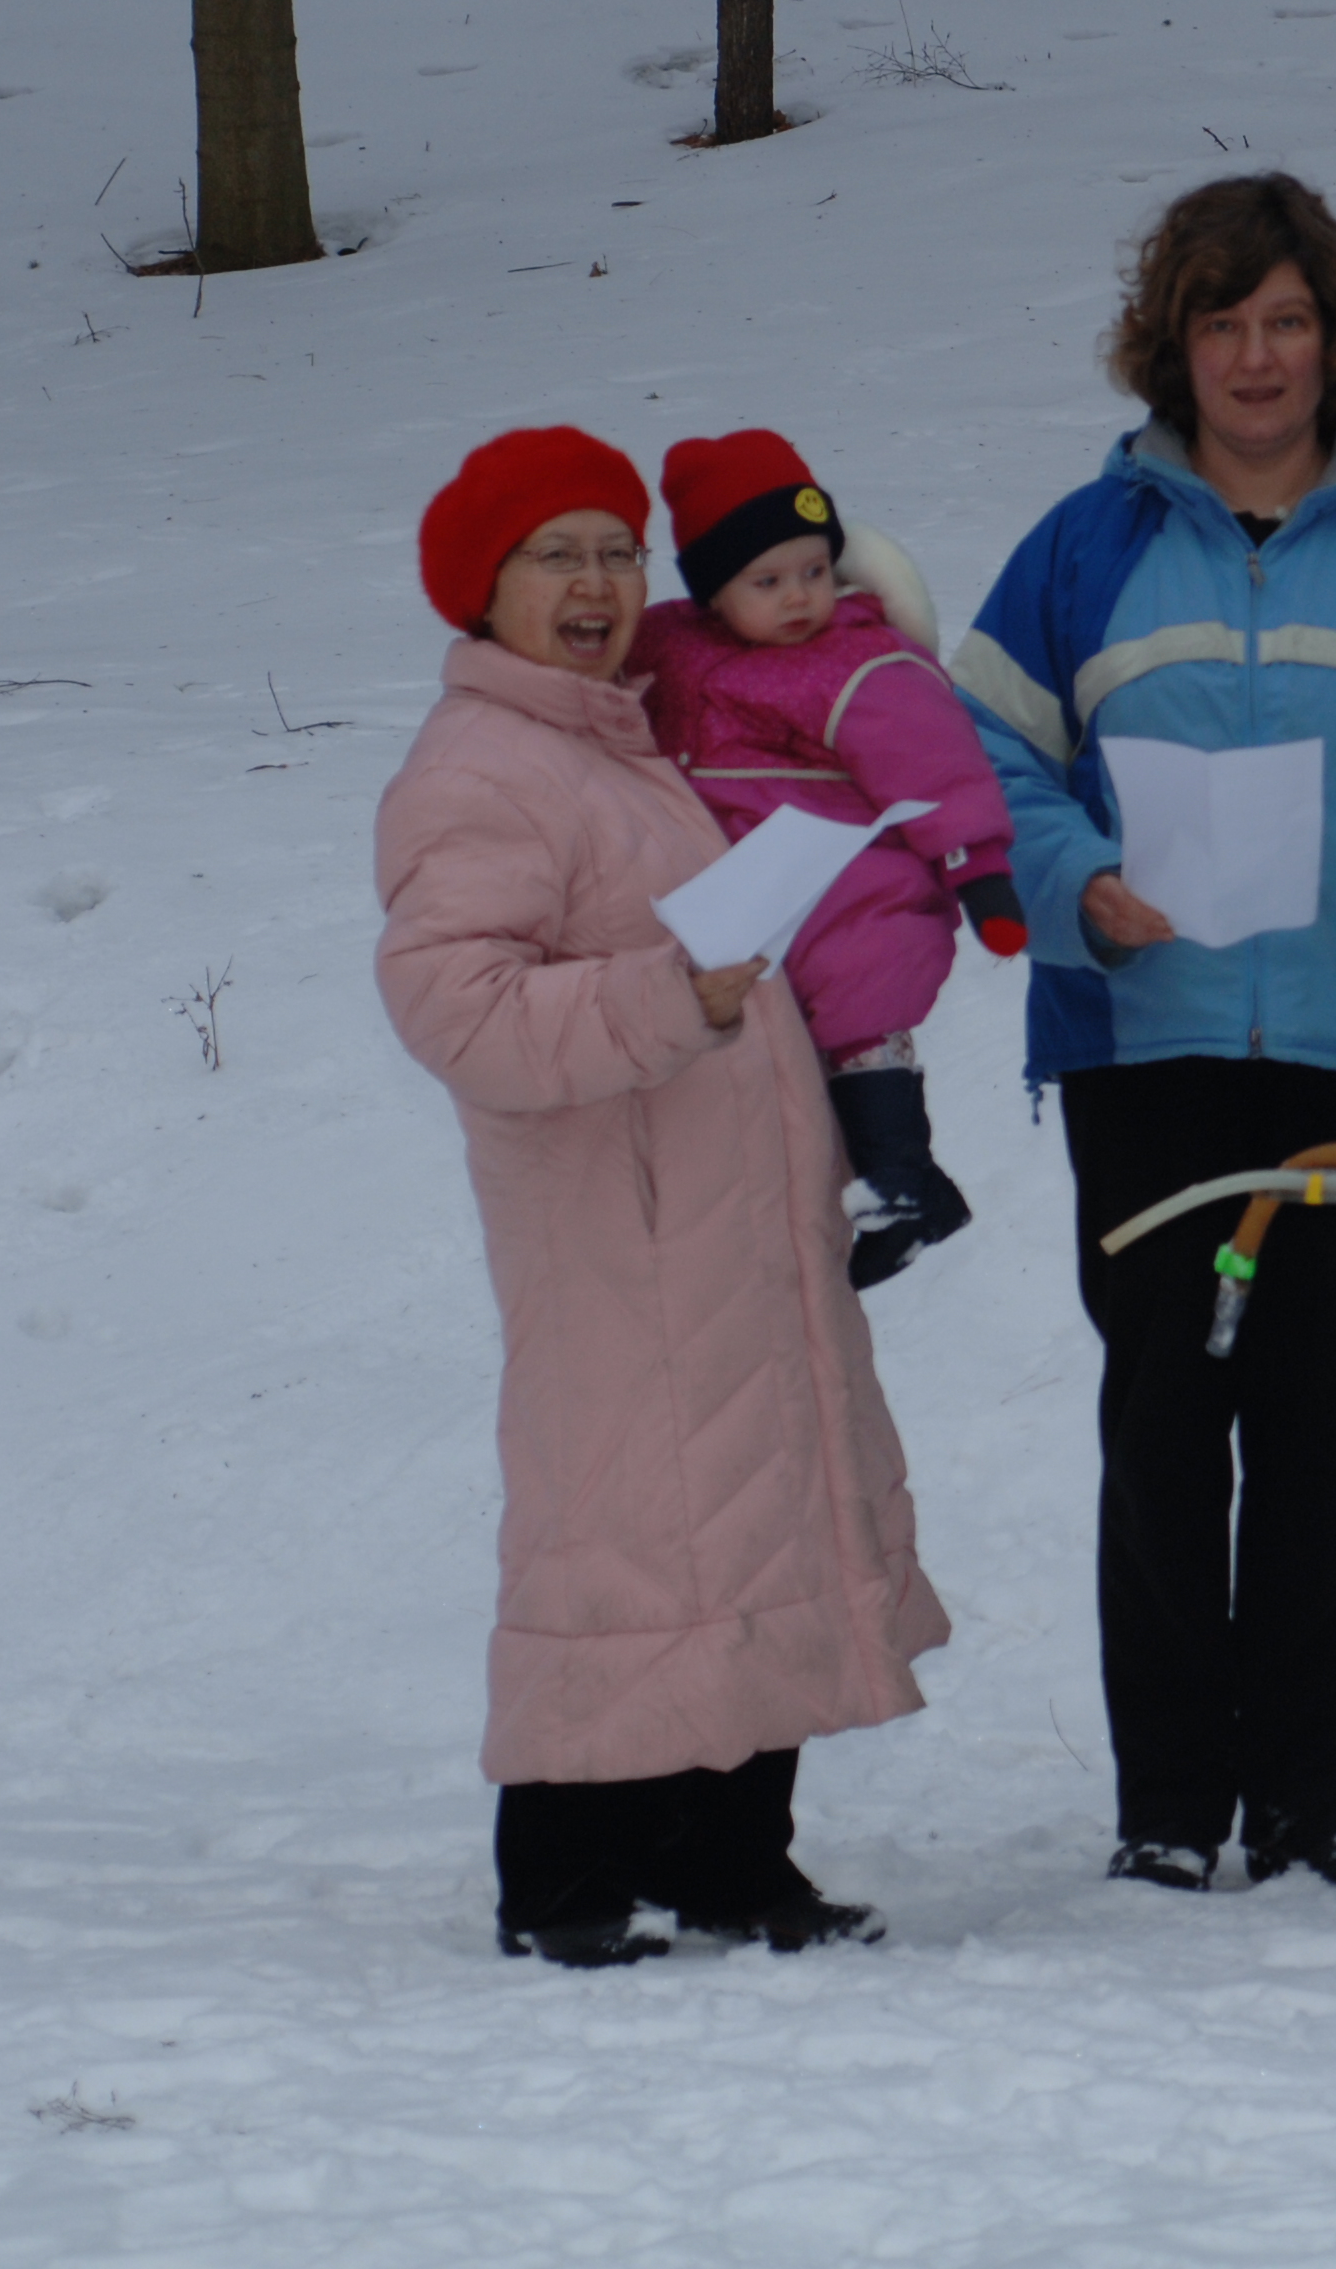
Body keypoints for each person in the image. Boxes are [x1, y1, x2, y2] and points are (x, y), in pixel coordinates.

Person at [954, 173, 1336, 1899]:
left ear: (1335, 337)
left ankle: (1303, 1790)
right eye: (1221, 323)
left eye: (1286, 320)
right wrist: (1072, 878)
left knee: (1316, 1428)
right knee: (1160, 1424)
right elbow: (974, 754)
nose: (1256, 357)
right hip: (1141, 1056)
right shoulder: (1084, 547)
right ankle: (1167, 1800)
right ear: (1174, 344)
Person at [376, 426, 952, 1969]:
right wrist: (665, 999)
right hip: (615, 1243)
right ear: (484, 588)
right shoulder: (483, 769)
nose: (597, 584)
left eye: (618, 552)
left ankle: (729, 1858)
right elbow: (458, 1009)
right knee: (620, 1544)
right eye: (555, 556)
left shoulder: (629, 736)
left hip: (725, 1222)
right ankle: (561, 1883)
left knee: (749, 1530)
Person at [635, 428, 1025, 1290]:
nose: (799, 598)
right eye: (767, 582)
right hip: (745, 893)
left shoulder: (859, 662)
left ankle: (902, 1182)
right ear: (712, 593)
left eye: (814, 571)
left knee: (857, 996)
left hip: (855, 882)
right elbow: (596, 665)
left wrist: (981, 875)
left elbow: (939, 766)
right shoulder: (674, 644)